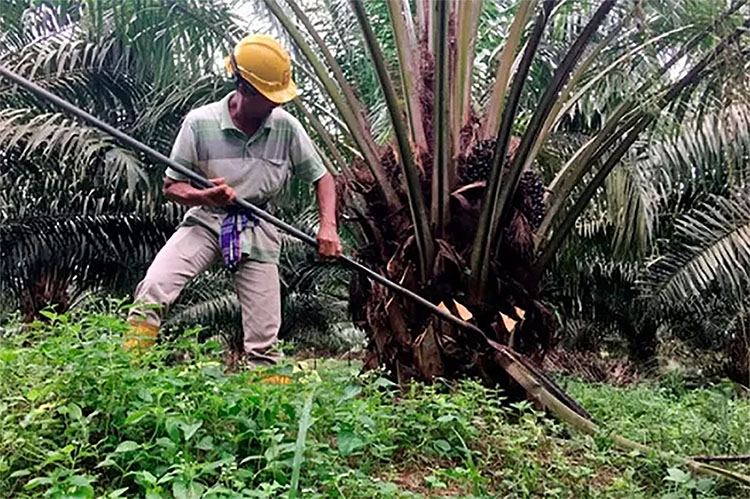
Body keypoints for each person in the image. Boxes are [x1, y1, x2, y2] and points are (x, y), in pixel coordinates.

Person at [125, 34, 342, 366]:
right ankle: (123, 373)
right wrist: (205, 196)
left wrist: (328, 226)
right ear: (245, 88)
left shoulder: (286, 127)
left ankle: (268, 406)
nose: (277, 104)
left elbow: (322, 177)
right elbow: (172, 186)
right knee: (155, 287)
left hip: (258, 226)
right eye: (270, 97)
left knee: (265, 336)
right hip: (207, 221)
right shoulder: (200, 124)